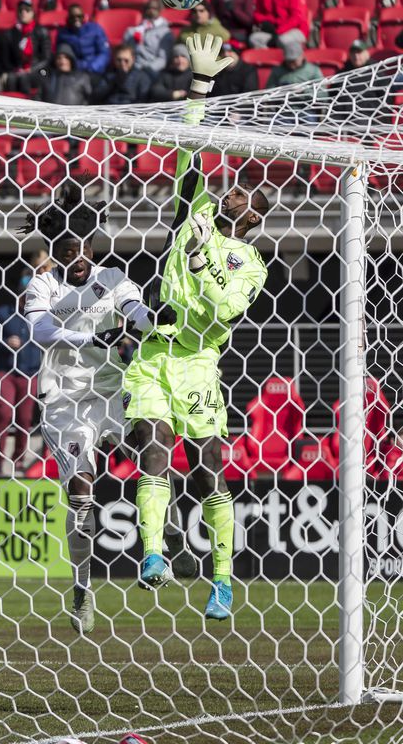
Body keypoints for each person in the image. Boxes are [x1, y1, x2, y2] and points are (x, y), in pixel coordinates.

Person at [127, 34, 269, 623]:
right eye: (233, 187)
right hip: (153, 355)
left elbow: (222, 312)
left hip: (198, 363)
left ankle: (222, 580)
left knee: (209, 467)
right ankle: (154, 554)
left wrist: (206, 260)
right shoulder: (195, 214)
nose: (233, 191)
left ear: (259, 215)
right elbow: (189, 149)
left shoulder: (253, 264)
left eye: (247, 193)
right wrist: (201, 89)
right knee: (153, 450)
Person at [21, 188, 175, 634]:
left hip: (113, 391)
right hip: (64, 400)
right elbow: (42, 331)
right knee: (83, 494)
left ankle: (156, 550)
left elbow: (135, 309)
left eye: (85, 248)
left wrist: (154, 318)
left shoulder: (113, 277)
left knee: (155, 447)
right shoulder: (43, 284)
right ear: (56, 252)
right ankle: (83, 587)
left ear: (93, 246)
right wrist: (91, 340)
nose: (79, 258)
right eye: (69, 251)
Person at [0, 278, 41, 469]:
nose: (28, 299)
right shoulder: (3, 313)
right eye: (25, 295)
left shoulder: (41, 315)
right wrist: (5, 342)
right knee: (3, 412)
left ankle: (19, 461)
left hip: (30, 373)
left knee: (25, 418)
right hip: (5, 371)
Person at [0, 0, 51, 94]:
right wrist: (16, 69)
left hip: (38, 70)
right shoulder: (10, 33)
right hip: (17, 70)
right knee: (11, 78)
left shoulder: (41, 31)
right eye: (20, 10)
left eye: (27, 10)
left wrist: (30, 70)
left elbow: (46, 59)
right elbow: (5, 58)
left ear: (33, 13)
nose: (23, 13)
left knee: (24, 79)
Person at [123, 0, 173, 74]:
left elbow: (162, 59)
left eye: (154, 8)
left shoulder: (165, 33)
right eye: (148, 8)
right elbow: (124, 52)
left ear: (160, 10)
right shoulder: (132, 31)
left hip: (151, 71)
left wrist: (147, 69)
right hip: (132, 68)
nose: (151, 10)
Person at [57, 4, 109, 75]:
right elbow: (63, 55)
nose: (76, 19)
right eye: (73, 17)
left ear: (84, 17)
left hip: (95, 70)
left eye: (79, 16)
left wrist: (93, 67)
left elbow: (104, 53)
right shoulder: (63, 34)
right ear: (68, 19)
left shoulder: (95, 29)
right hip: (75, 71)